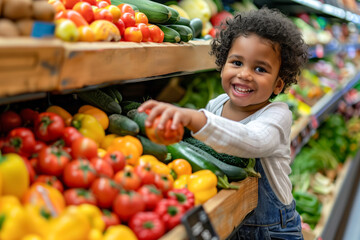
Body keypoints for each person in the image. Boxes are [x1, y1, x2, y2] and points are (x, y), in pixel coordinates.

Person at [138, 7, 309, 240]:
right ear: (223, 64)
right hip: (233, 219)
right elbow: (207, 148)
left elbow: (253, 141)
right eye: (237, 63)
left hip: (274, 230)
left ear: (278, 85)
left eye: (260, 69)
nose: (245, 74)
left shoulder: (277, 115)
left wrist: (195, 119)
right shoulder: (217, 105)